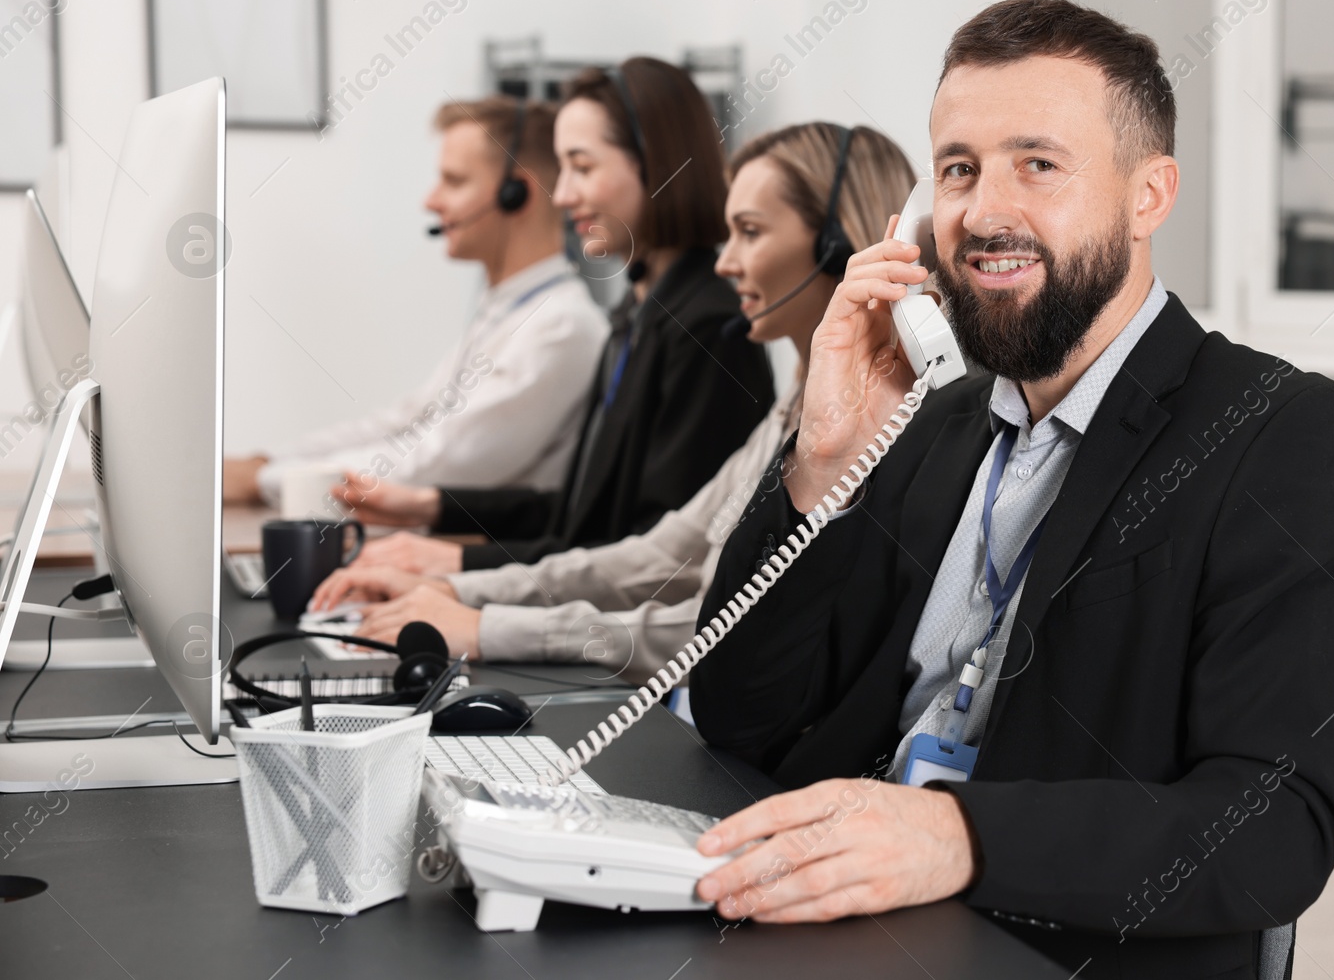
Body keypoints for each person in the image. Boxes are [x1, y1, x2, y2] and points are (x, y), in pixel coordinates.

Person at [684, 0, 1334, 979]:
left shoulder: (1282, 433)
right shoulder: (928, 419)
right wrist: (821, 461)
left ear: (1148, 195)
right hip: (823, 917)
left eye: (1038, 164)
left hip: (1043, 945)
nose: (981, 213)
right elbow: (737, 713)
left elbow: (1272, 823)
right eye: (958, 169)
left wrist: (950, 834)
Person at [307, 124, 918, 678]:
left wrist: (489, 624)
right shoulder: (790, 406)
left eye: (750, 233)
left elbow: (719, 620)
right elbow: (662, 554)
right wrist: (459, 593)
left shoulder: (882, 425)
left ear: (837, 246)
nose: (726, 263)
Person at [329, 58, 774, 573]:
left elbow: (653, 562)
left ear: (657, 165)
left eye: (582, 168)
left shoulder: (706, 331)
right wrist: (432, 506)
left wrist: (459, 564)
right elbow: (582, 517)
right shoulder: (638, 314)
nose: (561, 195)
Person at [223, 97, 608, 506]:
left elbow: (435, 464)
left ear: (516, 193)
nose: (431, 201)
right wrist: (268, 460)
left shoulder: (562, 328)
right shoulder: (506, 311)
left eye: (454, 181)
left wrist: (263, 481)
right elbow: (403, 422)